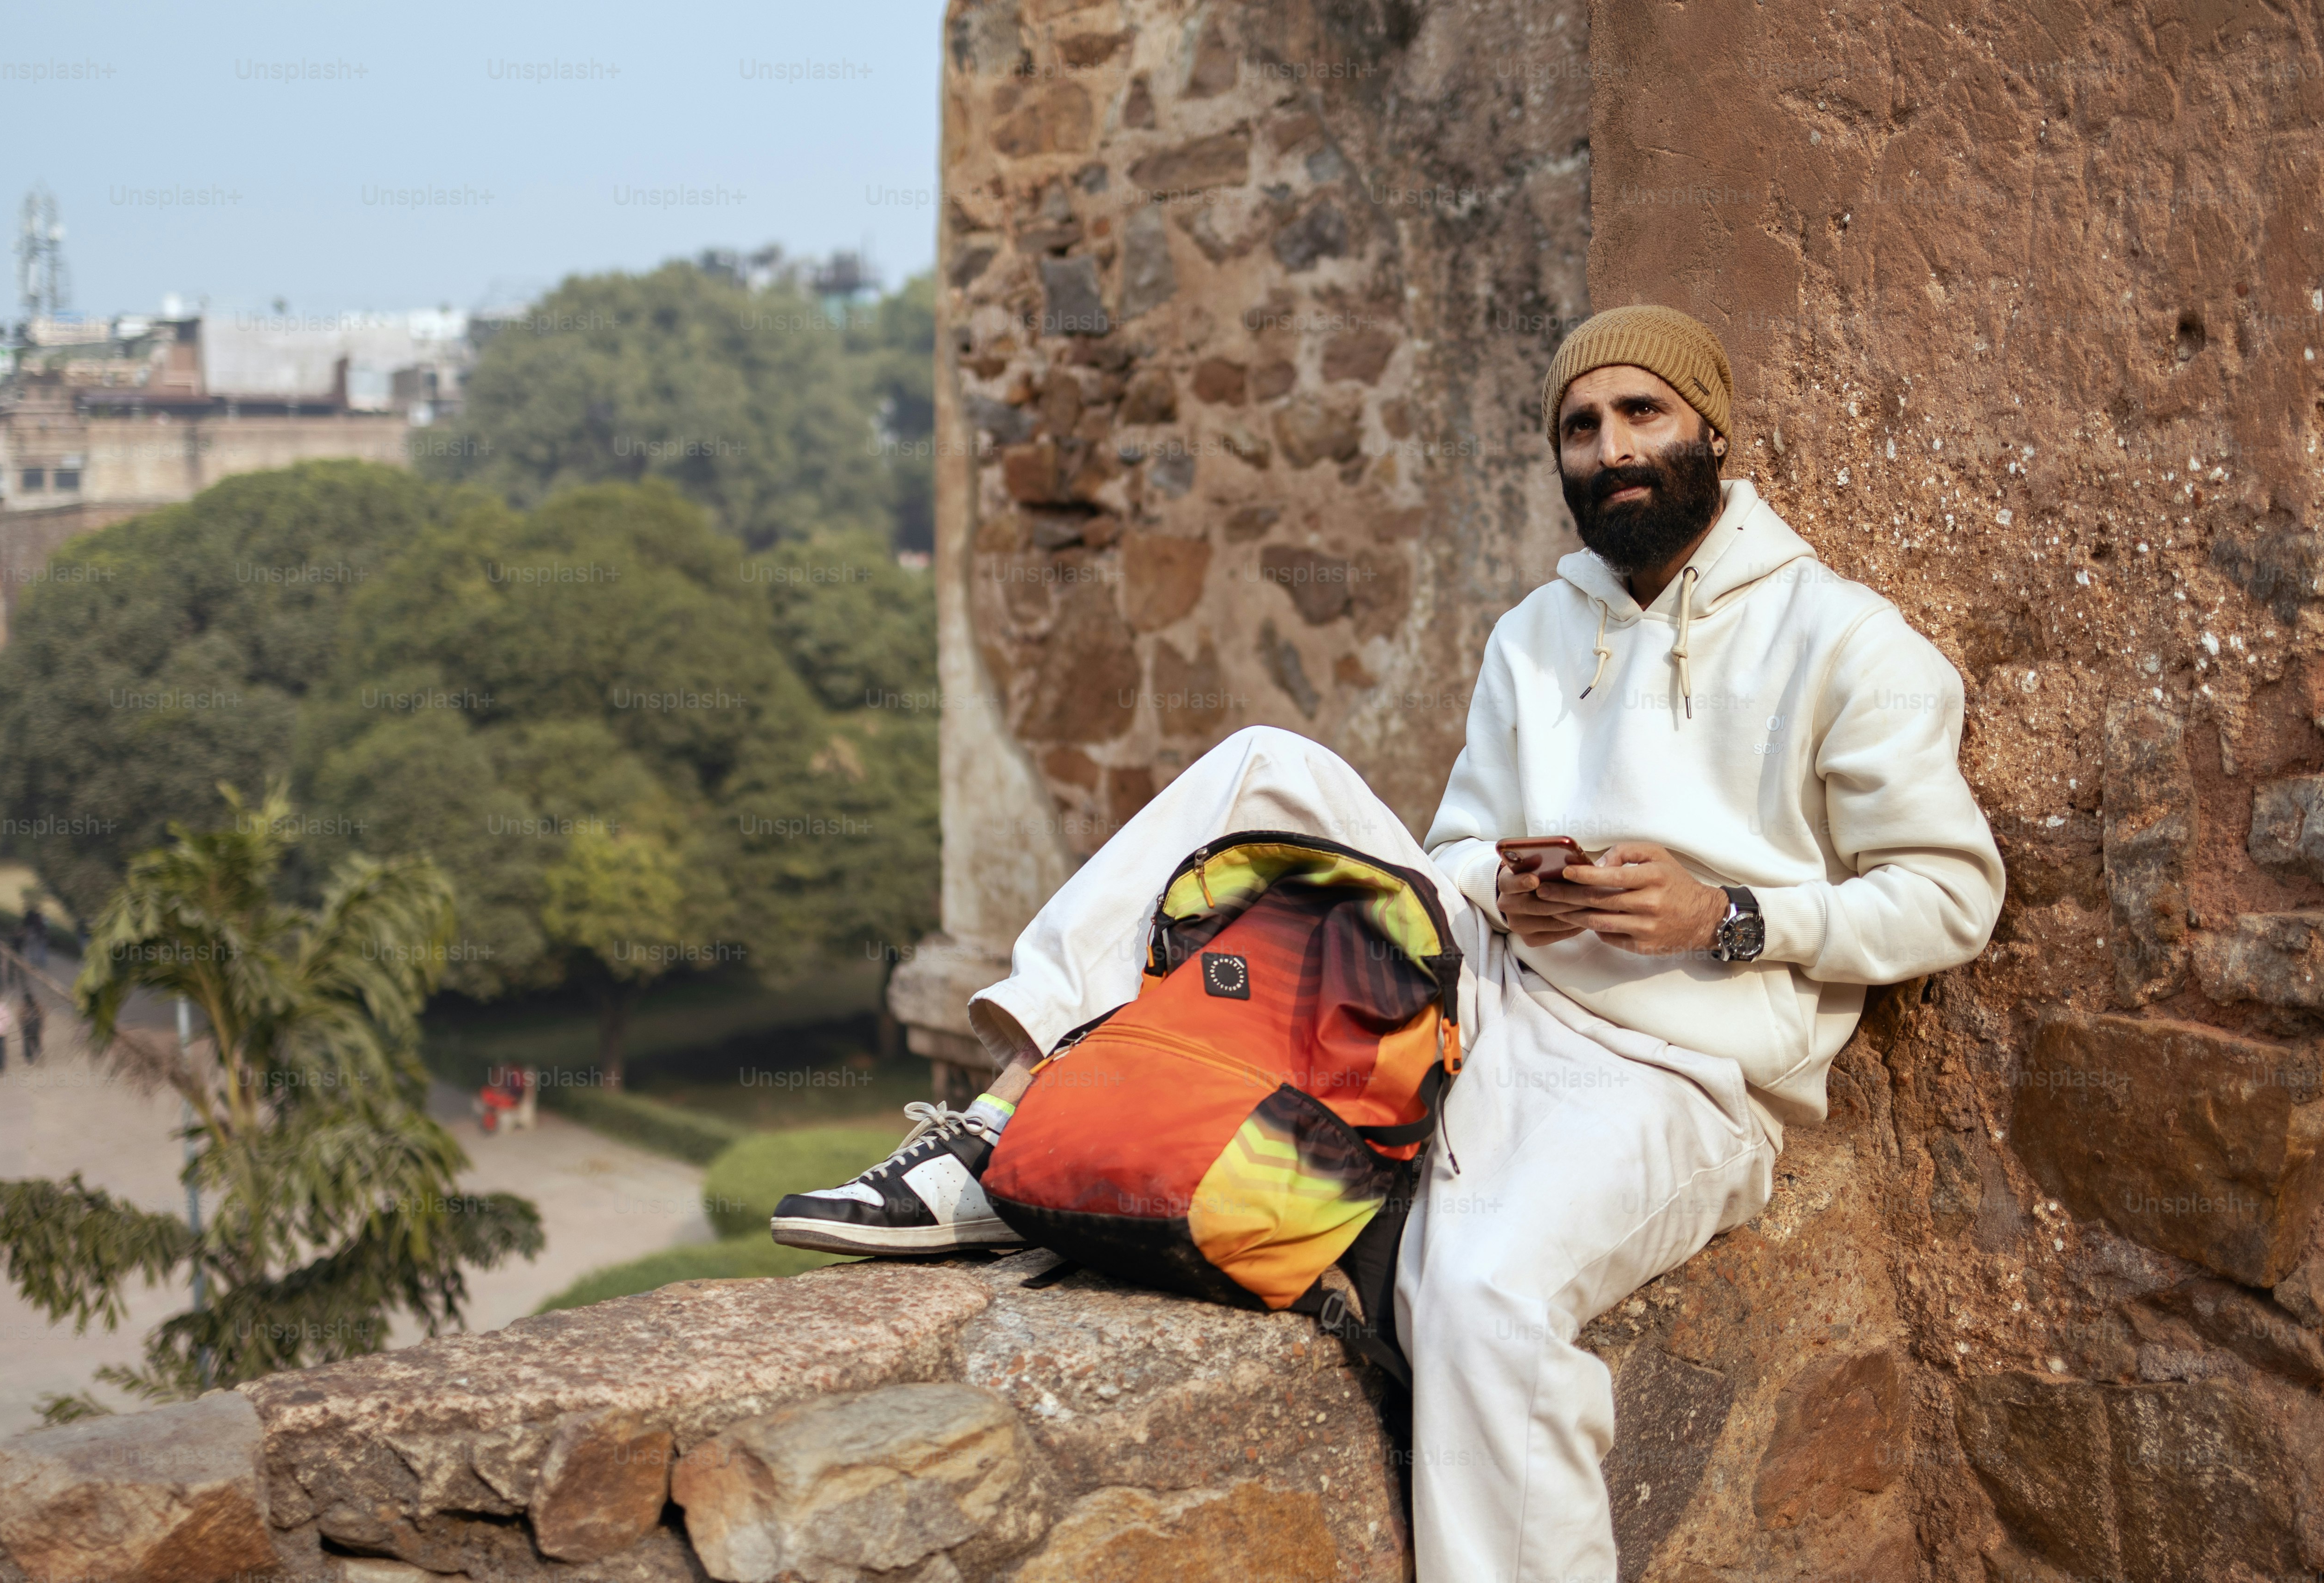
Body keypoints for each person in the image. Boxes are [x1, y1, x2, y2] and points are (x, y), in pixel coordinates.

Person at [772, 304, 2003, 1580]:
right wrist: (1502, 887)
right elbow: (1456, 844)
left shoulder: (1847, 642)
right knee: (1267, 764)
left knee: (1472, 1302)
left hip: (1677, 1077)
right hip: (1491, 991)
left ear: (1708, 429)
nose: (1610, 447)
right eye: (1578, 427)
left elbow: (1948, 896)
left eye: (1641, 413)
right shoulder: (1535, 632)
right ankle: (1007, 1116)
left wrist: (1730, 914)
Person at [19, 988, 44, 1066]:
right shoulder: (37, 1006)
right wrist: (42, 1026)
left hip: (26, 1028)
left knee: (27, 1043)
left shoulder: (23, 1008)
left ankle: (30, 1059)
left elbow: (20, 1018)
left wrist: (22, 1026)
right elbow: (42, 1016)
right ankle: (39, 1055)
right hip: (36, 1027)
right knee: (37, 1042)